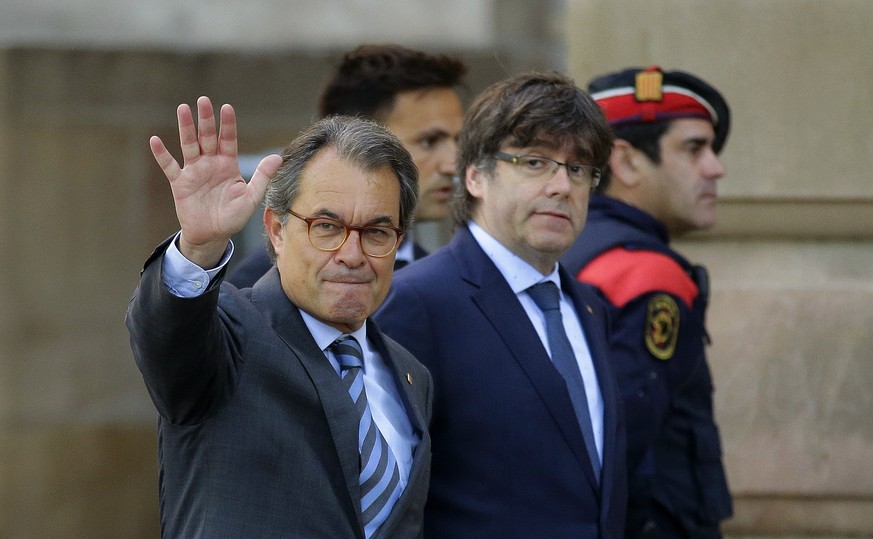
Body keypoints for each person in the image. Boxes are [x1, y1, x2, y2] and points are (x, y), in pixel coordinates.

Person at [125, 97, 433, 538]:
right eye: (326, 227)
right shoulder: (231, 330)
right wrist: (199, 247)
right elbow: (166, 338)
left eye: (376, 232)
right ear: (276, 230)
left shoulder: (411, 375)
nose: (352, 255)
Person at [374, 72, 627, 538]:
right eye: (535, 162)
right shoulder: (417, 302)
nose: (561, 186)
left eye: (578, 169)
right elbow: (382, 498)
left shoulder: (590, 307)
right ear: (475, 175)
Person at [561, 65, 733, 537]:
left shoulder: (566, 247)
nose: (716, 168)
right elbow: (623, 440)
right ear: (627, 161)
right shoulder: (648, 273)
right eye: (694, 148)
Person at [228, 44, 467, 286]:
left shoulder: (441, 280)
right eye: (429, 141)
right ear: (354, 140)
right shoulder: (254, 289)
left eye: (458, 141)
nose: (452, 165)